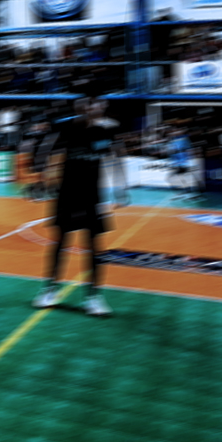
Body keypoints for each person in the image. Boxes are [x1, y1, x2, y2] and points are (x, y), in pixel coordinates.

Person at [32, 86, 129, 316]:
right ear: (80, 107)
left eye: (99, 104)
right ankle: (50, 290)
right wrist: (42, 178)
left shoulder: (105, 131)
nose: (95, 108)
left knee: (94, 247)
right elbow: (45, 151)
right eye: (90, 104)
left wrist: (121, 187)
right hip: (67, 195)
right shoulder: (66, 128)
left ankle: (93, 297)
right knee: (60, 244)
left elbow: (116, 157)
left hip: (92, 196)